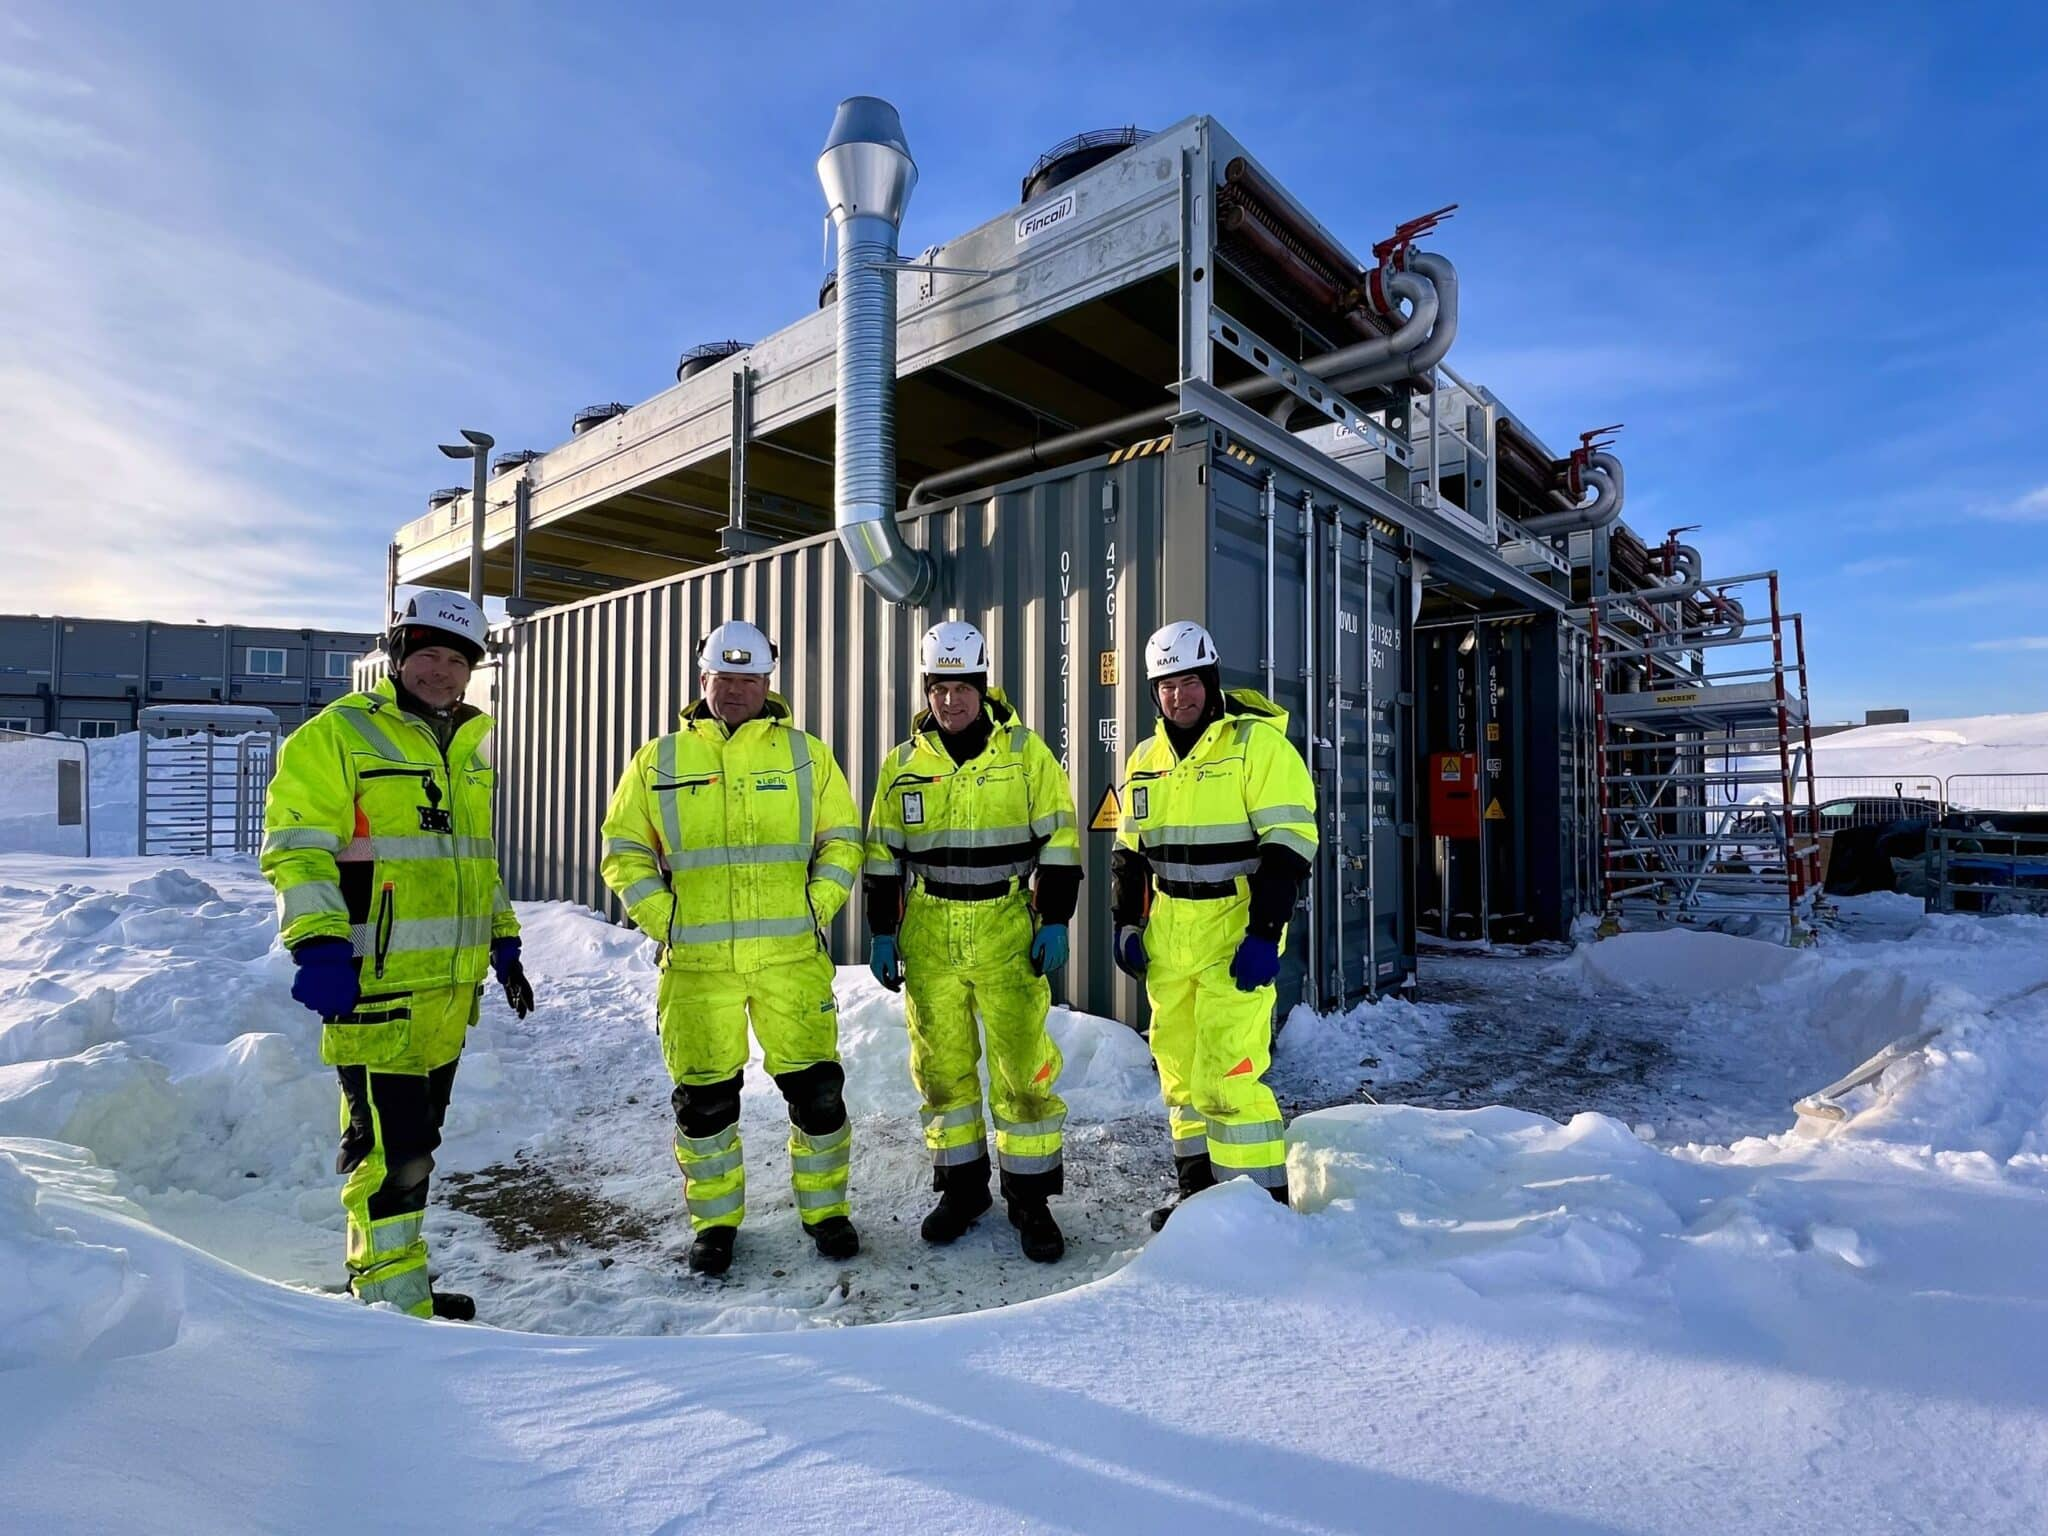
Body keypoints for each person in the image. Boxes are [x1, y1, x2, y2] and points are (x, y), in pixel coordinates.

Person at [261, 589, 534, 1320]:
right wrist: (317, 944)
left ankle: (393, 1282)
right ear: (399, 654)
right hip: (370, 984)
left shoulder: (467, 749)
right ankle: (389, 1306)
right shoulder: (338, 735)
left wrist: (501, 939)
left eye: (456, 660)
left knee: (418, 1144)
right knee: (390, 1149)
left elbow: (473, 863)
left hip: (447, 989)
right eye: (427, 655)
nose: (440, 672)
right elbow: (297, 849)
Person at [599, 620, 864, 1277]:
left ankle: (825, 1211)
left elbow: (842, 838)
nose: (737, 689)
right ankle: (714, 1225)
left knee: (818, 1093)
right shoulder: (659, 760)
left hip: (789, 962)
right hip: (698, 969)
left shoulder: (806, 754)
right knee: (705, 1103)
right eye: (725, 677)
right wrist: (666, 919)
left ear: (769, 683)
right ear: (702, 682)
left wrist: (816, 905)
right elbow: (624, 847)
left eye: (750, 678)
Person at [864, 620, 1082, 1263]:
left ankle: (1030, 1197)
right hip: (930, 931)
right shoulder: (903, 764)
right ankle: (962, 1189)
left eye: (962, 688)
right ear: (926, 691)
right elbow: (883, 856)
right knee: (941, 1069)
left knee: (1024, 1067)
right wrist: (881, 932)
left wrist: (1055, 919)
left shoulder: (1023, 754)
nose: (951, 701)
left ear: (983, 689)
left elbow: (1062, 840)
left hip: (1005, 926)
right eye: (939, 688)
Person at [1111, 620, 1317, 1230]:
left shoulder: (1256, 747)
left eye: (1191, 681)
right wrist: (1127, 924)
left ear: (1212, 679)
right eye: (1167, 685)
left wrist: (1263, 932)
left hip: (1236, 928)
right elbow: (1129, 854)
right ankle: (1197, 1200)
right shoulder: (1145, 759)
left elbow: (1289, 845)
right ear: (1154, 692)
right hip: (1171, 933)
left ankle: (1260, 1210)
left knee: (1229, 1072)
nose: (1180, 696)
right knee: (1178, 1070)